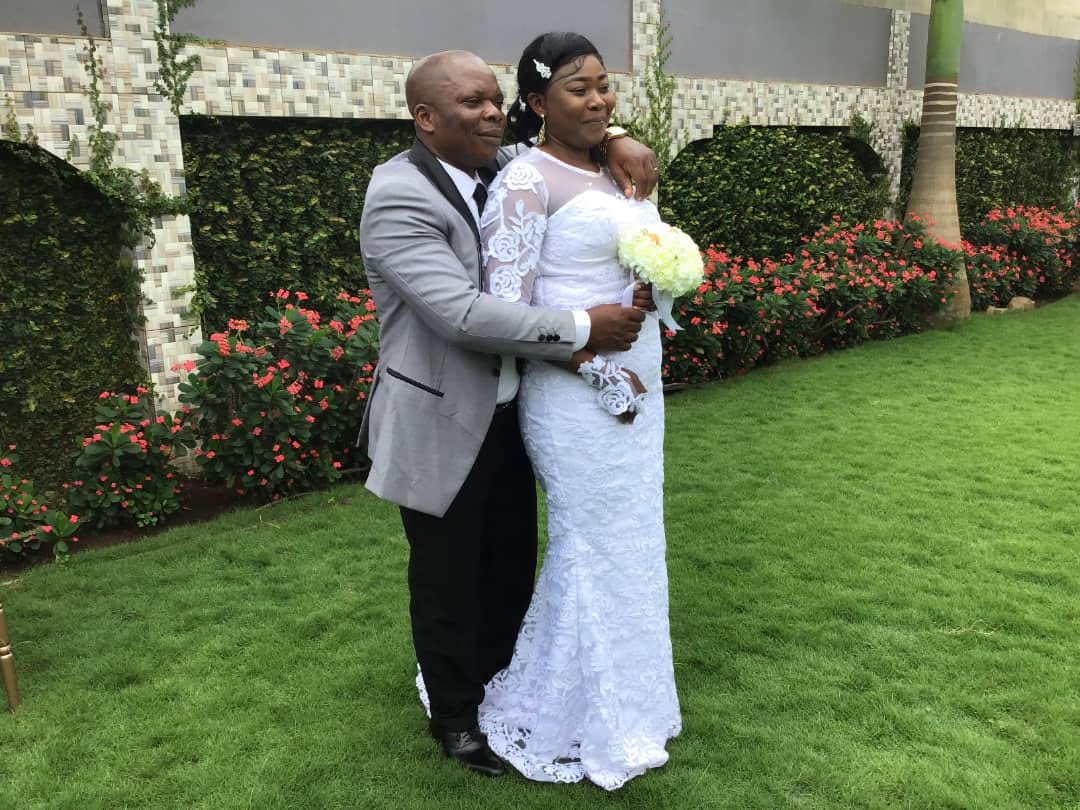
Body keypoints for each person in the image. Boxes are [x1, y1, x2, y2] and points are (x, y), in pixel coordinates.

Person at [357, 49, 660, 778]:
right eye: (472, 103)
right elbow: (461, 314)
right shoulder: (398, 194)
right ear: (426, 118)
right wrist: (585, 330)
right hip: (439, 417)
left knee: (508, 564)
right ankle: (455, 721)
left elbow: (563, 136)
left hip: (514, 411)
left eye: (496, 99)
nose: (493, 113)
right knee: (447, 577)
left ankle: (497, 685)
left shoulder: (496, 163)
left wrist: (618, 139)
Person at [475, 32, 681, 790]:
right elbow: (504, 312)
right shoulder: (525, 181)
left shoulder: (619, 166)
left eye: (603, 85)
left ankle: (633, 701)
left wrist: (654, 285)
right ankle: (570, 711)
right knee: (589, 543)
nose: (598, 100)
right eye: (578, 89)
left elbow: (634, 253)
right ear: (537, 102)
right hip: (572, 393)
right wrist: (594, 363)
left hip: (640, 382)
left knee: (634, 541)